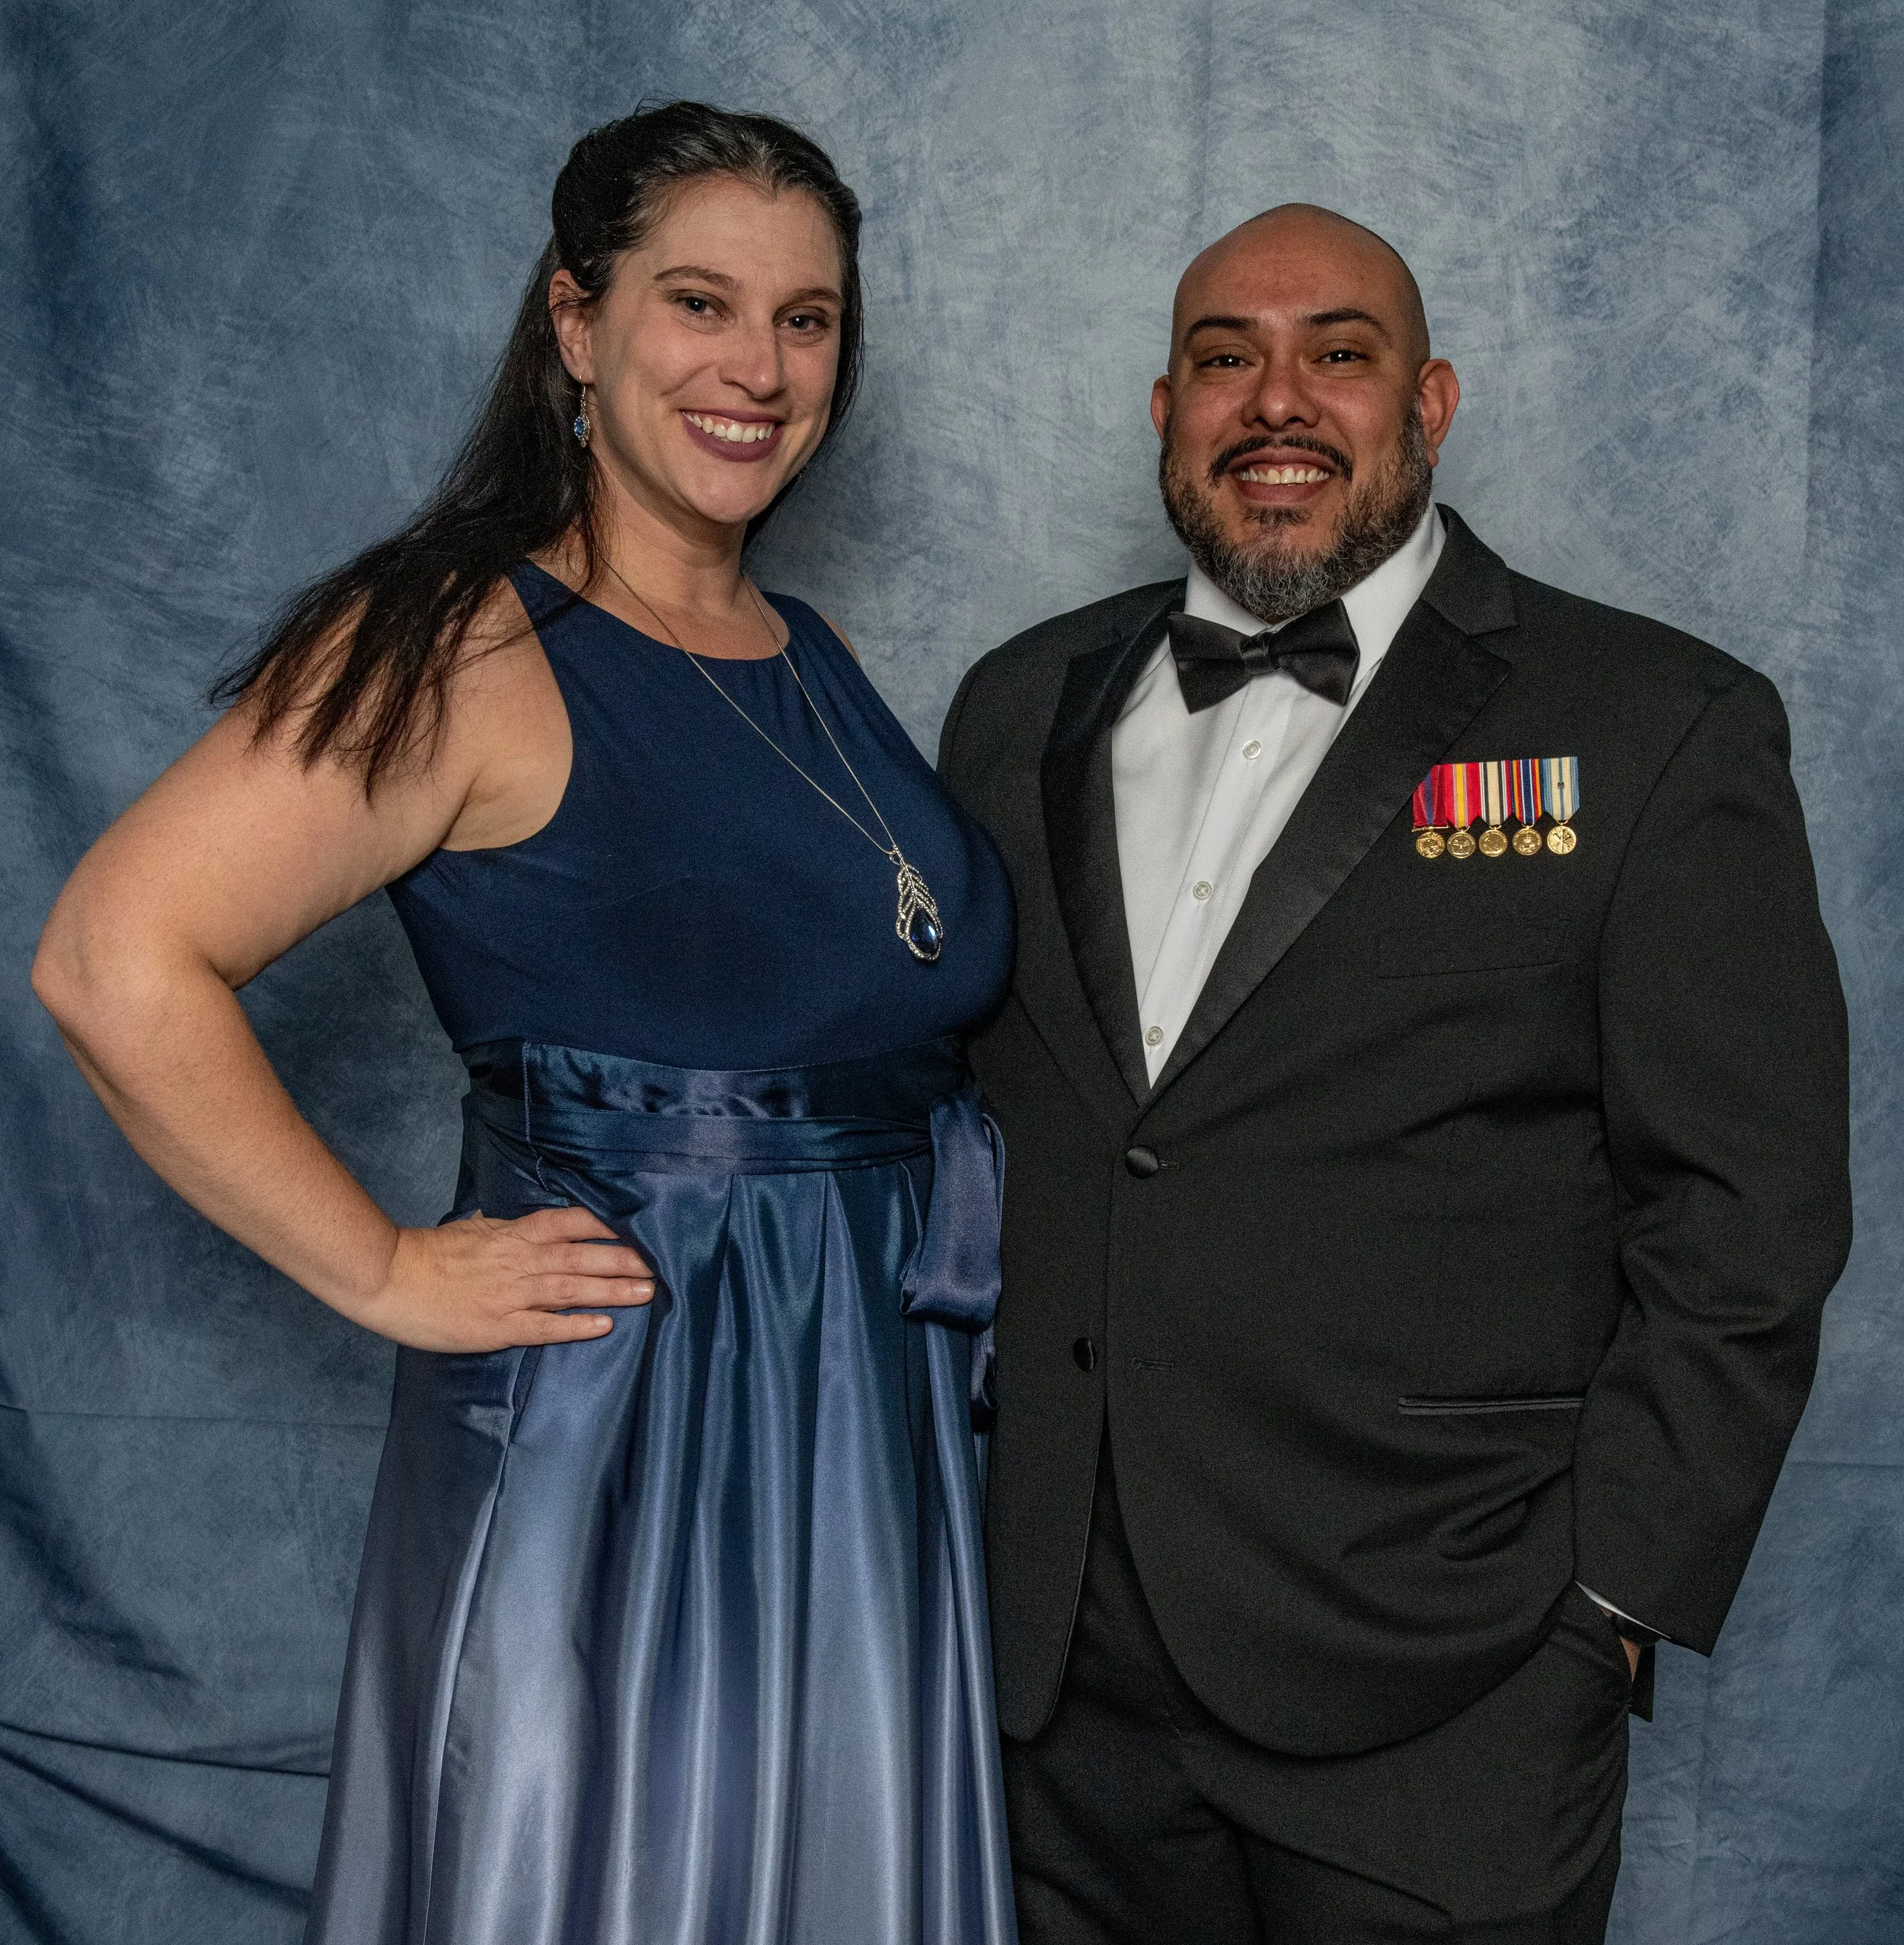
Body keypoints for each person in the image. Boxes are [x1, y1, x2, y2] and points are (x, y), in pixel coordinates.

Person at [34, 102, 1017, 1945]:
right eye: (699, 303)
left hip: (867, 1421)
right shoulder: (462, 642)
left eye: (805, 320)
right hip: (643, 1424)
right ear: (575, 322)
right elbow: (113, 956)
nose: (756, 367)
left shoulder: (813, 656)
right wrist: (391, 1268)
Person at [937, 203, 1851, 1942]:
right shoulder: (1011, 705)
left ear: (1427, 399)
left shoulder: (1654, 722)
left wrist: (1609, 1600)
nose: (1275, 400)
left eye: (1335, 354)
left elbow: (1748, 1211)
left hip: (1448, 1683)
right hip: (1063, 1680)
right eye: (1224, 359)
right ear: (1161, 409)